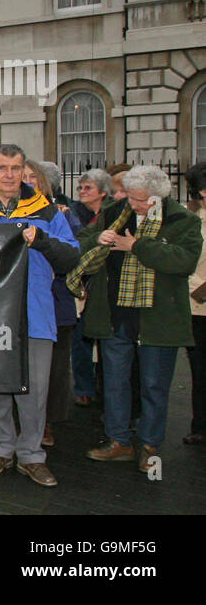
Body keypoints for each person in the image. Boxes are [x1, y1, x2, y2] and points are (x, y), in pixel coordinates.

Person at [0, 144, 79, 487]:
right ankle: (1, 449)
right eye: (2, 168)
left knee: (35, 389)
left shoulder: (46, 211)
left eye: (15, 168)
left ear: (23, 170)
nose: (9, 175)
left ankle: (31, 454)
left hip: (36, 313)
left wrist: (40, 239)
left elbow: (72, 256)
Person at [76, 165, 201, 472]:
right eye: (130, 197)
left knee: (154, 385)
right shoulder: (116, 210)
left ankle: (149, 445)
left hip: (158, 318)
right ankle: (118, 440)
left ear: (159, 197)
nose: (133, 205)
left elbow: (183, 261)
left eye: (140, 200)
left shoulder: (182, 220)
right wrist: (99, 239)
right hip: (115, 313)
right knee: (115, 383)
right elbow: (81, 239)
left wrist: (136, 246)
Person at [25, 160, 84, 449]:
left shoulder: (59, 213)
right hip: (23, 304)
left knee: (55, 369)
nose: (26, 181)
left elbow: (73, 255)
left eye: (31, 177)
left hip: (56, 302)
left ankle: (47, 422)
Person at [71, 168, 112, 407]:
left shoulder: (110, 214)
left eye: (88, 188)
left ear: (103, 192)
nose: (82, 192)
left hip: (101, 287)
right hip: (82, 286)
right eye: (80, 187)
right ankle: (84, 388)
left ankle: (101, 389)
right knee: (81, 341)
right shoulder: (75, 213)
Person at [184, 162, 206, 446]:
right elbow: (181, 260)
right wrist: (199, 289)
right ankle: (201, 425)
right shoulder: (191, 222)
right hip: (198, 307)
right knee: (200, 370)